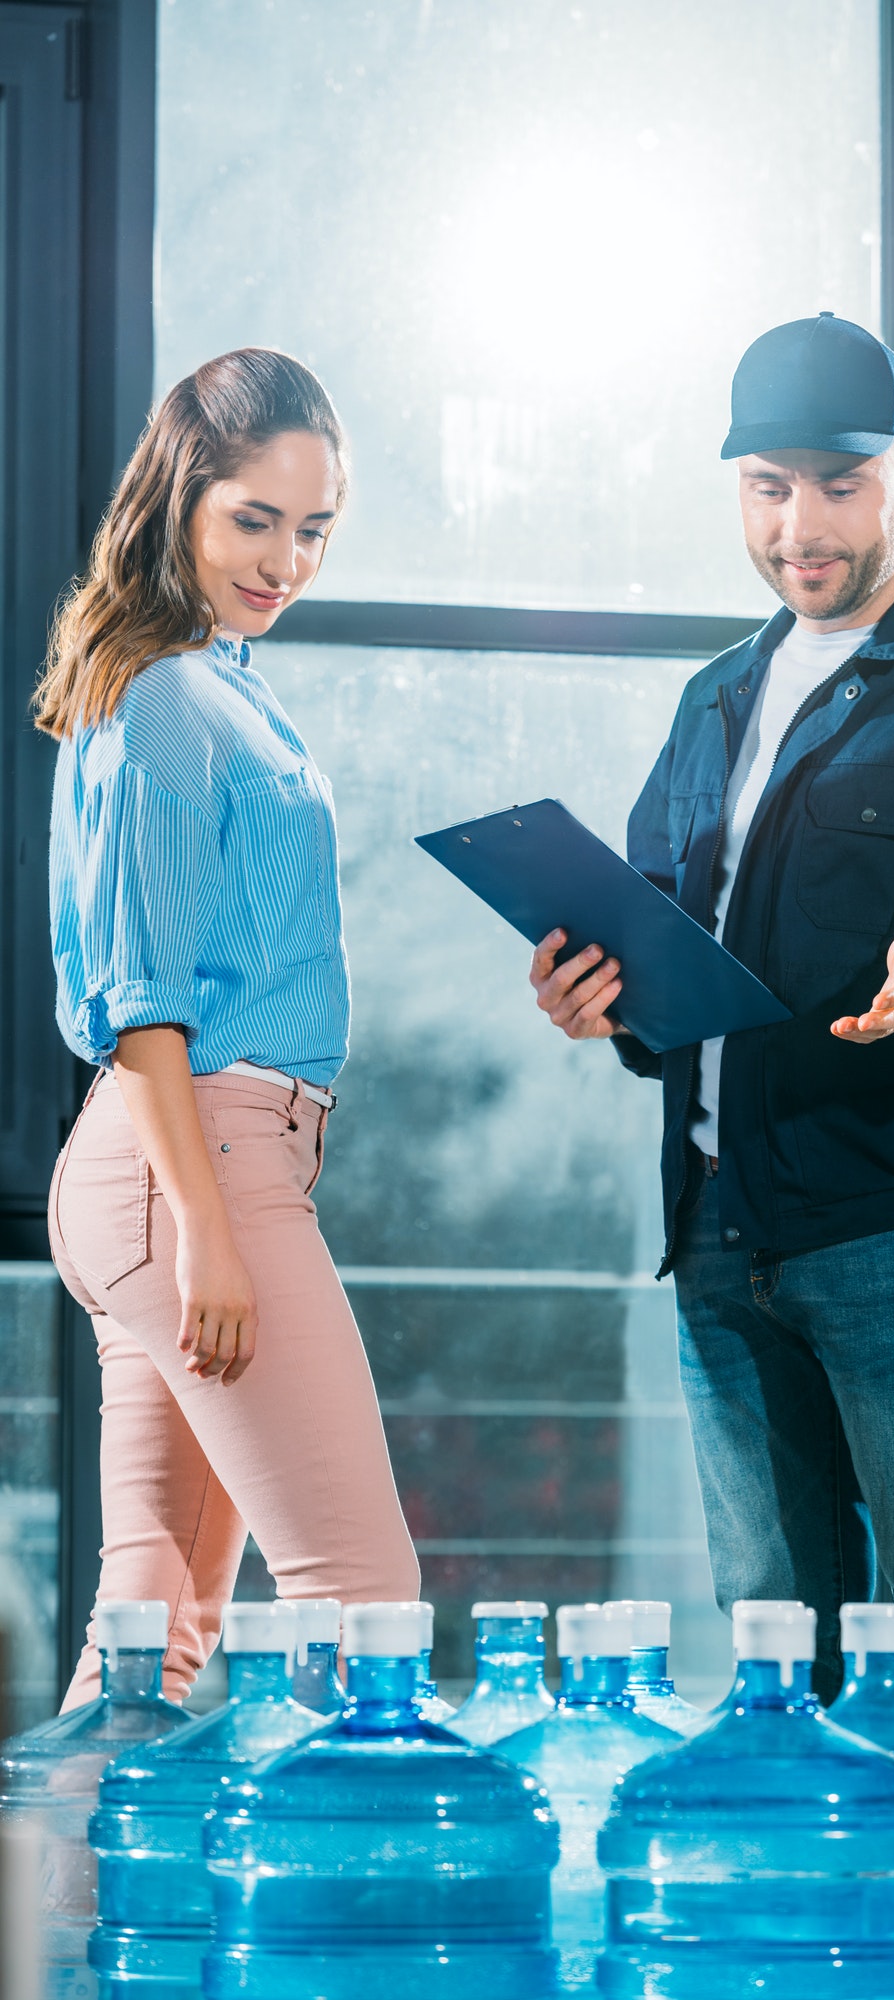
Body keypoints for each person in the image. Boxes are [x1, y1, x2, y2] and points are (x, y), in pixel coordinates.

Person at [530, 314, 894, 1727]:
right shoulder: (715, 699)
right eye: (768, 488)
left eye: (839, 487)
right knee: (777, 1662)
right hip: (720, 1234)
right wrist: (597, 998)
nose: (800, 526)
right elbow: (663, 937)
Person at [36, 348, 419, 1707]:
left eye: (315, 530)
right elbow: (143, 996)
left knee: (153, 1631)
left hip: (169, 1166)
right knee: (363, 1600)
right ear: (179, 496)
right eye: (255, 519)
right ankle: (338, 1863)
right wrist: (206, 1228)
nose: (285, 560)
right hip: (194, 1158)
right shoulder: (163, 697)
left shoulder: (210, 679)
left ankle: (64, 1858)